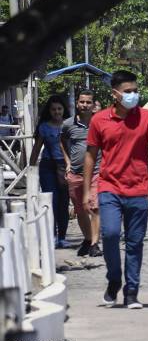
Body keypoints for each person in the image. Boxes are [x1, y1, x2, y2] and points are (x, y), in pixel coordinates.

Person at [83, 70, 148, 309]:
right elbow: (90, 156)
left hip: (139, 189)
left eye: (135, 91)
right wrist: (87, 190)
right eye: (128, 92)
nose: (133, 95)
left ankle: (131, 292)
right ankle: (114, 279)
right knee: (109, 234)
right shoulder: (99, 120)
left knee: (135, 242)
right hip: (109, 187)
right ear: (115, 94)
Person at [60, 90, 103, 257]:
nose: (85, 105)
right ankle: (87, 238)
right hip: (76, 174)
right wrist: (68, 162)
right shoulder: (68, 124)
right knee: (80, 210)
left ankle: (94, 243)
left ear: (93, 105)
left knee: (95, 206)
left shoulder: (99, 124)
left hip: (96, 172)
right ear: (77, 103)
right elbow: (62, 141)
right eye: (82, 102)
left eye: (88, 102)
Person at [30, 95, 70, 248]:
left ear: (63, 110)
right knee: (50, 202)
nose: (57, 112)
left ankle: (62, 237)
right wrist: (31, 171)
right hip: (47, 166)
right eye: (53, 109)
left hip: (65, 166)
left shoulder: (69, 125)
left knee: (63, 202)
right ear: (49, 111)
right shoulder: (44, 127)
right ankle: (51, 235)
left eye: (59, 109)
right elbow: (36, 149)